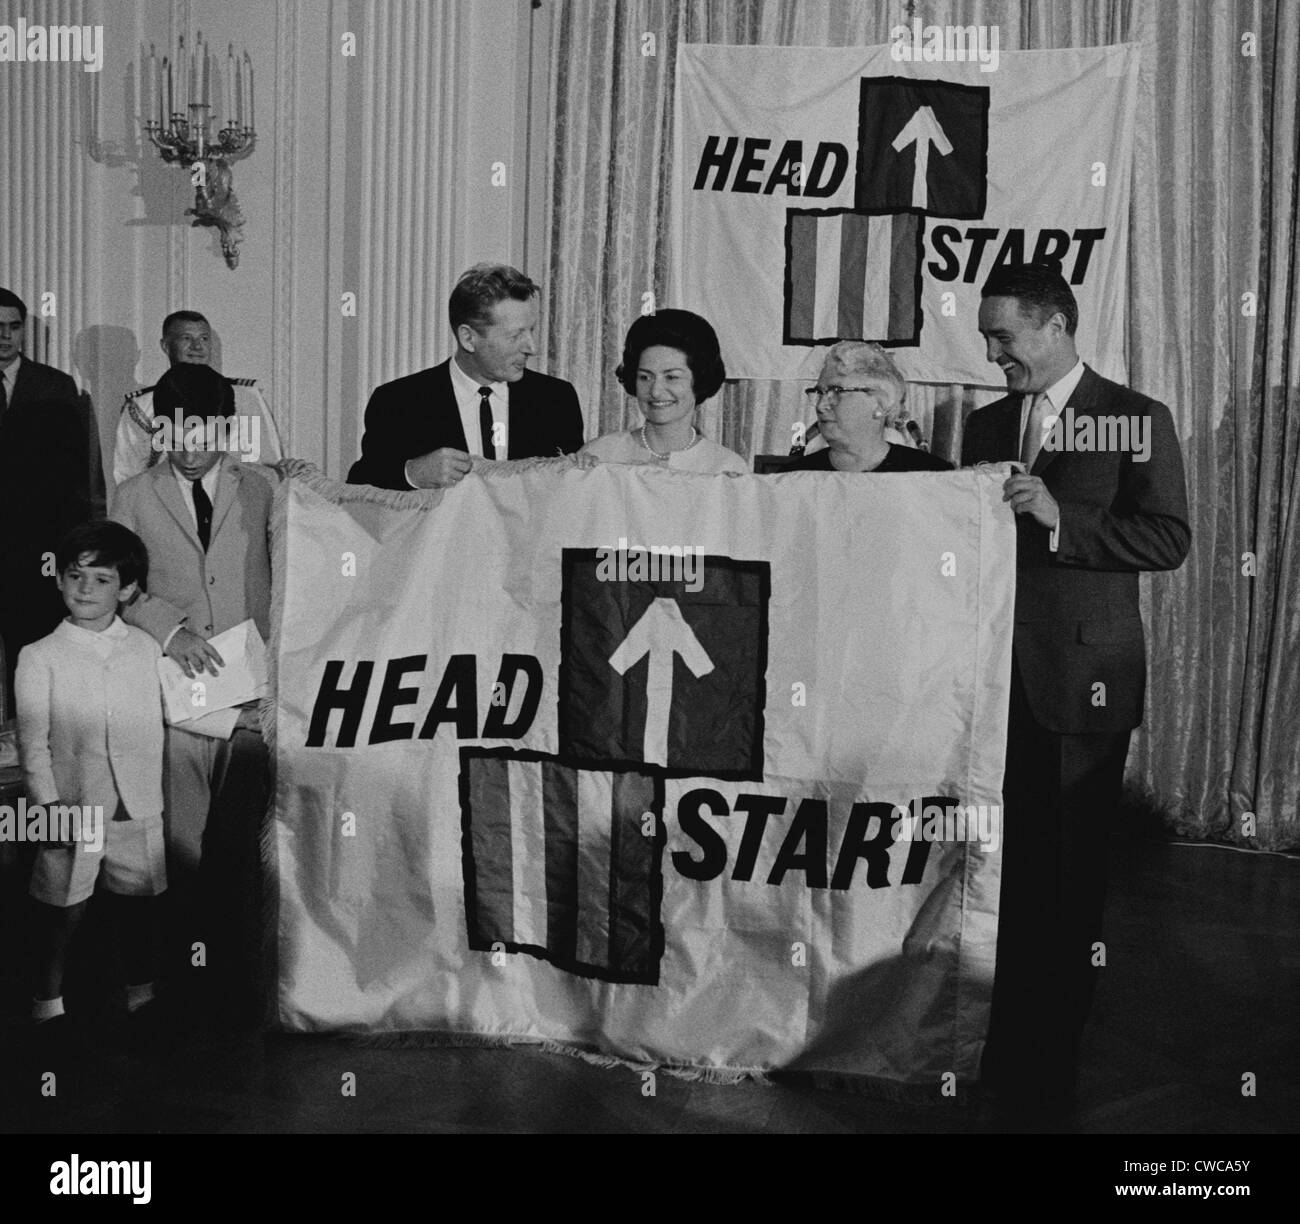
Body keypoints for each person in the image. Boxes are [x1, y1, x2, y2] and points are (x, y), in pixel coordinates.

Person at [961, 262, 1190, 1119]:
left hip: (1082, 684)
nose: (993, 355)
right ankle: (1003, 1042)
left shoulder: (1135, 419)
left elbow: (1168, 537)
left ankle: (1052, 1060)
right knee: (1007, 875)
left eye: (1004, 338)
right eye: (988, 338)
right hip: (992, 684)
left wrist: (1062, 518)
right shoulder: (986, 423)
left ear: (1056, 326)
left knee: (1067, 880)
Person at [110, 363, 275, 1018]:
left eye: (203, 426)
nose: (189, 440)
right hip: (179, 702)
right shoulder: (131, 497)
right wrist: (169, 629)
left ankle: (241, 979)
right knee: (184, 846)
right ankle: (185, 978)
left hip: (252, 696)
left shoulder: (263, 489)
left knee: (242, 844)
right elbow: (119, 586)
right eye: (175, 427)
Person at [16, 520, 166, 1032]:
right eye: (75, 576)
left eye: (101, 580)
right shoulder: (39, 657)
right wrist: (47, 806)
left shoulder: (145, 649)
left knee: (138, 908)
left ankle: (141, 994)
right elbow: (33, 743)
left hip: (137, 802)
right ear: (58, 580)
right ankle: (47, 1003)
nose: (85, 589)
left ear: (127, 590)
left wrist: (248, 717)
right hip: (74, 806)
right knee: (61, 909)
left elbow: (177, 712)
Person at [347, 263, 584, 489]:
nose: (532, 348)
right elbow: (359, 490)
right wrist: (412, 474)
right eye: (515, 336)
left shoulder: (556, 400)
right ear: (468, 338)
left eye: (531, 330)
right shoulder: (398, 401)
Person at [0, 287, 93, 716]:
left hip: (37, 545)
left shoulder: (55, 386)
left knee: (32, 649)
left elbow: (75, 475)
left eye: (14, 327)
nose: (5, 336)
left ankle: (30, 746)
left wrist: (72, 545)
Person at [112, 310, 283, 487]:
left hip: (235, 502)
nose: (197, 346)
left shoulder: (245, 397)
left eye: (204, 338)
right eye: (186, 338)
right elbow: (127, 473)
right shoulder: (140, 407)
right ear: (165, 346)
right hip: (167, 506)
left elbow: (265, 462)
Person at [582, 309, 748, 474]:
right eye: (645, 377)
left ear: (700, 380)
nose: (655, 391)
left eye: (671, 377)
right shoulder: (599, 454)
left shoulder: (726, 467)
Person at [783, 341, 952, 472]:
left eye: (837, 391)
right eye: (819, 392)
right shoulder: (793, 478)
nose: (821, 405)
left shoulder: (931, 475)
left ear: (880, 403)